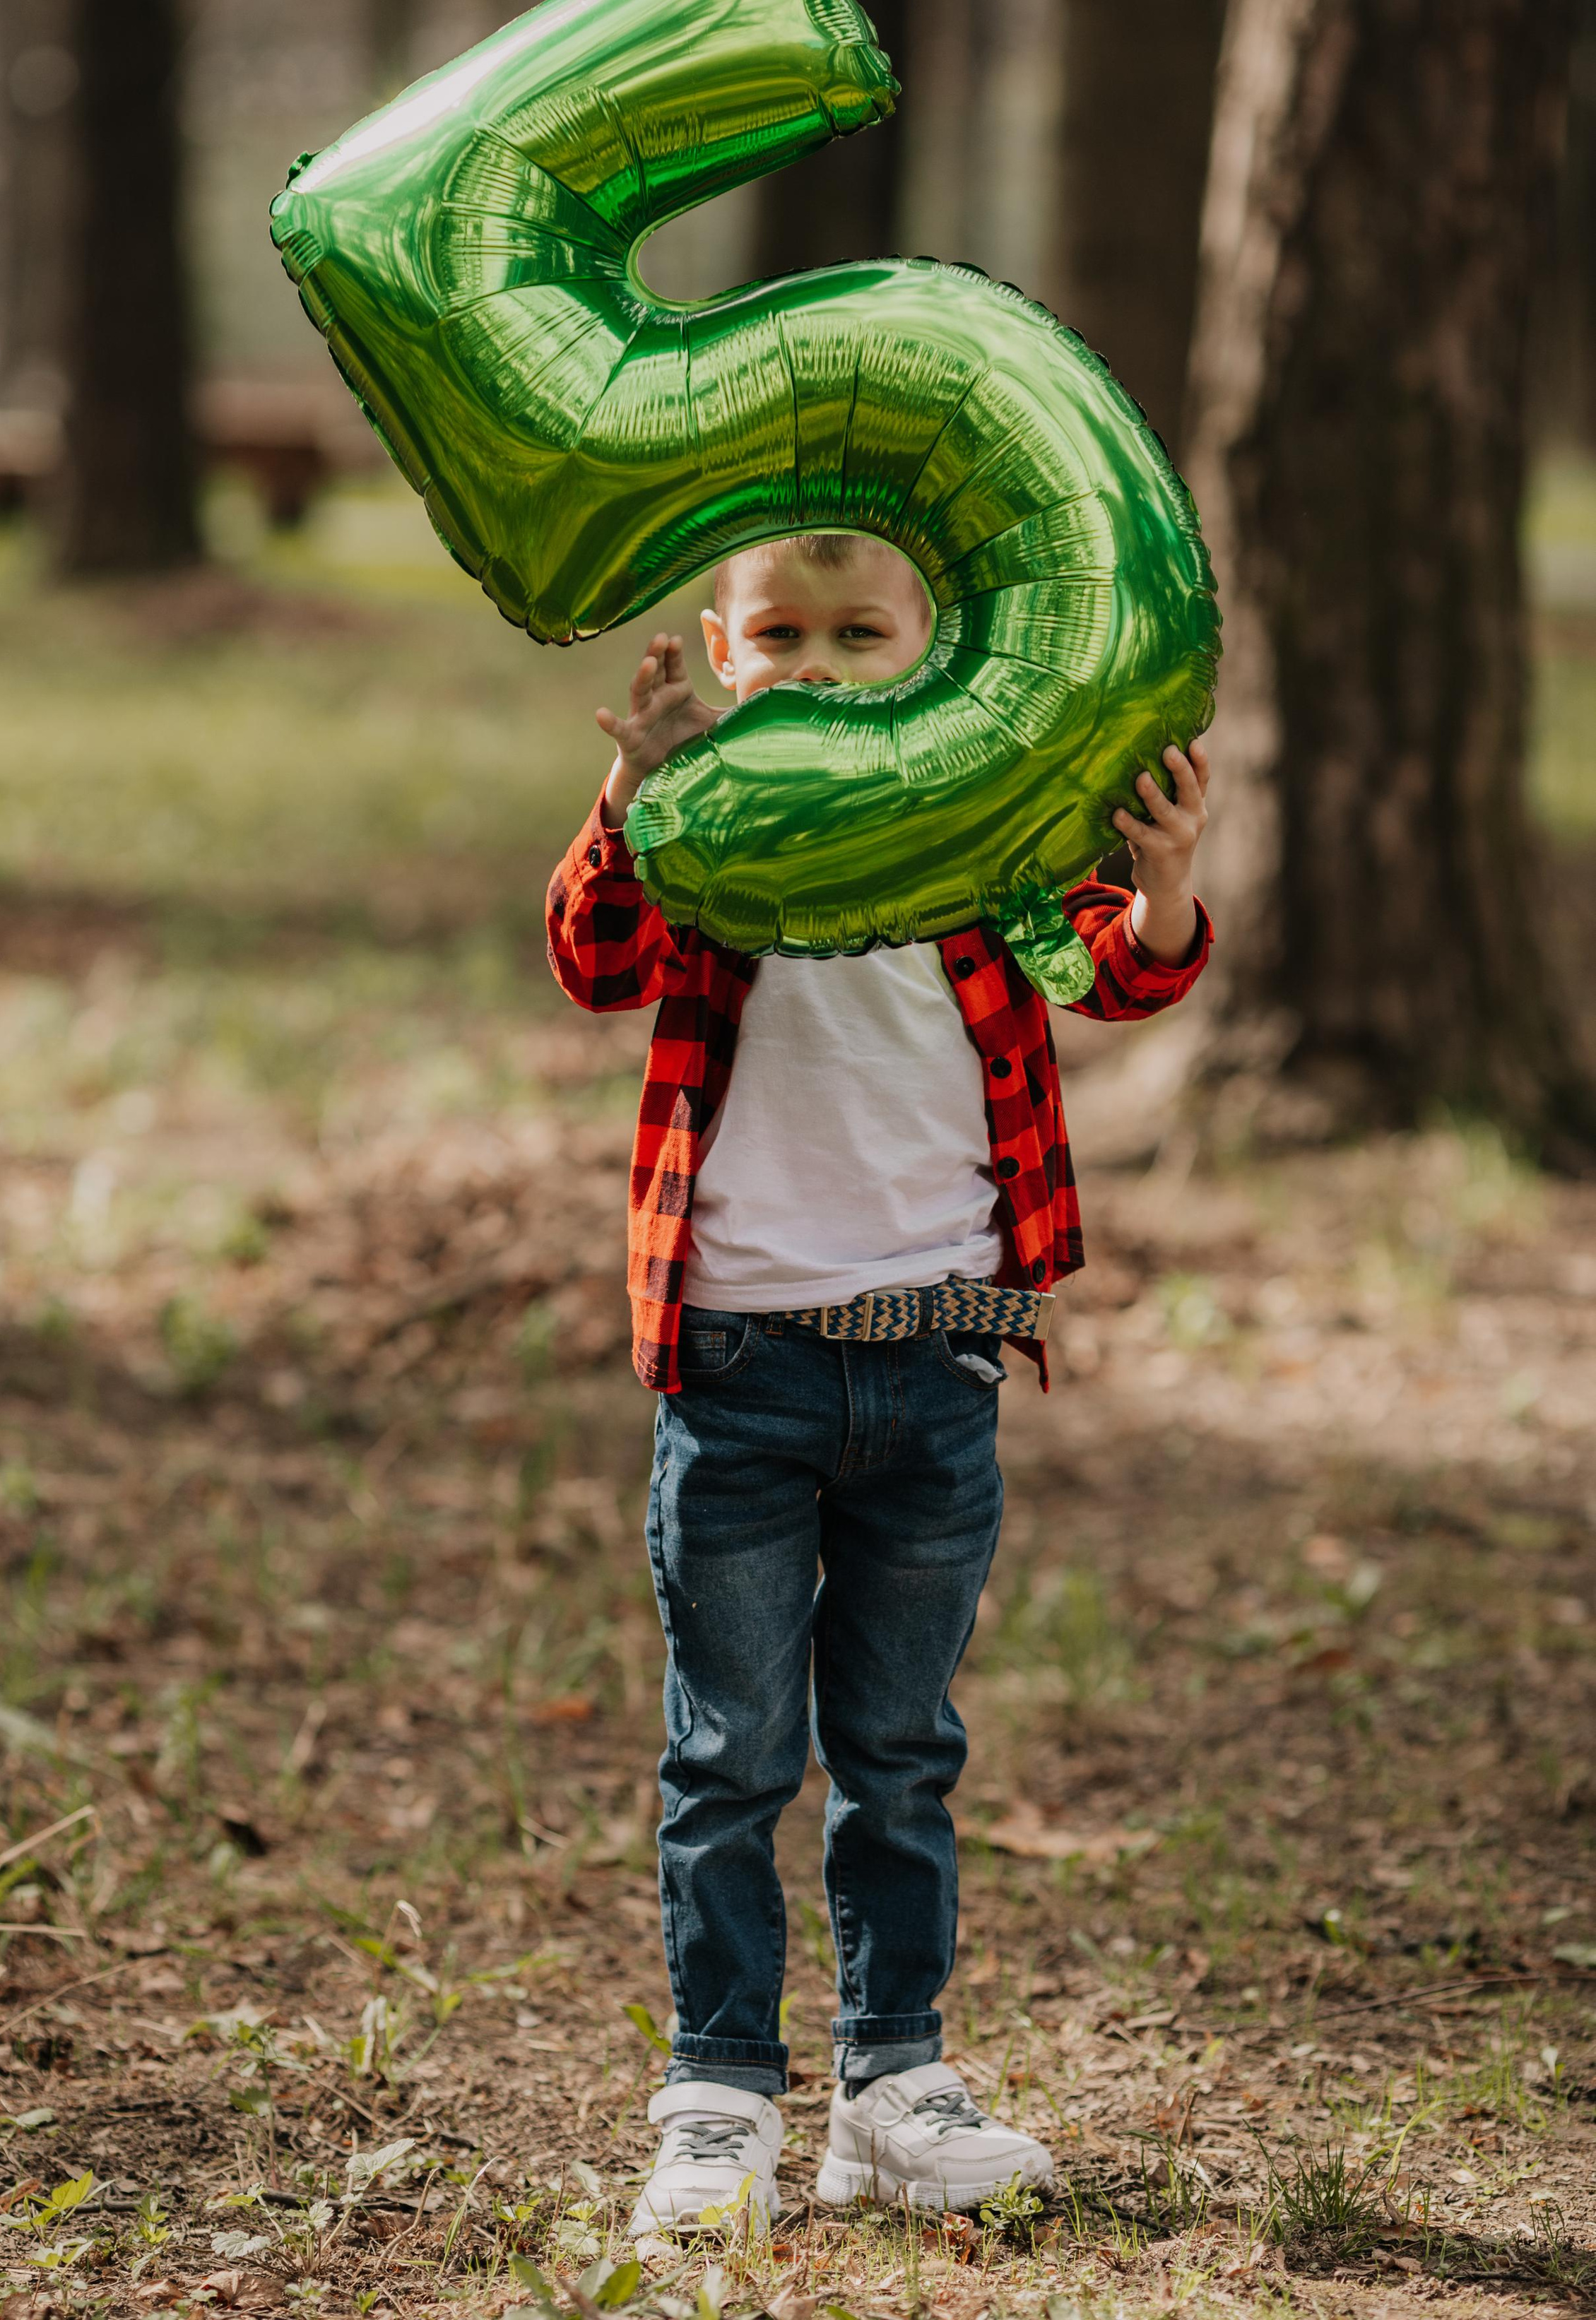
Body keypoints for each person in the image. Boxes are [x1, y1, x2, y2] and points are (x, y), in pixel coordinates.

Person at [545, 532, 1212, 2232]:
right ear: (723, 645)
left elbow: (1111, 971)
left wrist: (1162, 882)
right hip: (740, 1376)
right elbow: (595, 958)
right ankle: (715, 2095)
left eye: (862, 632)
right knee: (729, 1756)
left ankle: (892, 2082)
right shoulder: (701, 838)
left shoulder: (979, 838)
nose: (822, 662)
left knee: (900, 1752)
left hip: (933, 1374)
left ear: (931, 651)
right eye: (782, 634)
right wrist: (633, 788)